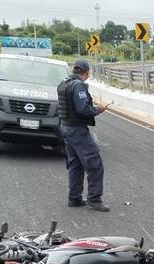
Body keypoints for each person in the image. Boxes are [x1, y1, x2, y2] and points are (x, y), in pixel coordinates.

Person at [57, 59, 111, 211]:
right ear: (86, 72)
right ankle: (94, 199)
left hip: (66, 127)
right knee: (95, 164)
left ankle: (74, 198)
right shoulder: (78, 85)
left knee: (76, 164)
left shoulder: (64, 83)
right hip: (77, 130)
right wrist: (98, 109)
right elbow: (83, 109)